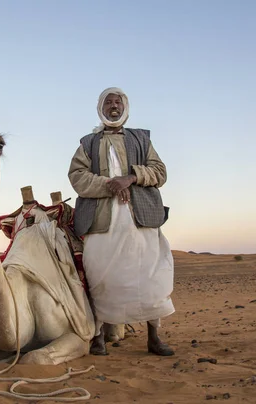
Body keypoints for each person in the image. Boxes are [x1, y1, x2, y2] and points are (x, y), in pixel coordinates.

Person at [68, 87, 175, 356]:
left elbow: (159, 172)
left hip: (140, 218)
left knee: (150, 275)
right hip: (102, 220)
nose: (113, 106)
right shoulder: (88, 143)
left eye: (117, 102)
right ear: (100, 108)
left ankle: (154, 337)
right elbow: (77, 177)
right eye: (108, 102)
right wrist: (110, 185)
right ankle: (98, 338)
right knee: (101, 275)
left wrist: (131, 178)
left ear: (125, 107)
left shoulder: (141, 139)